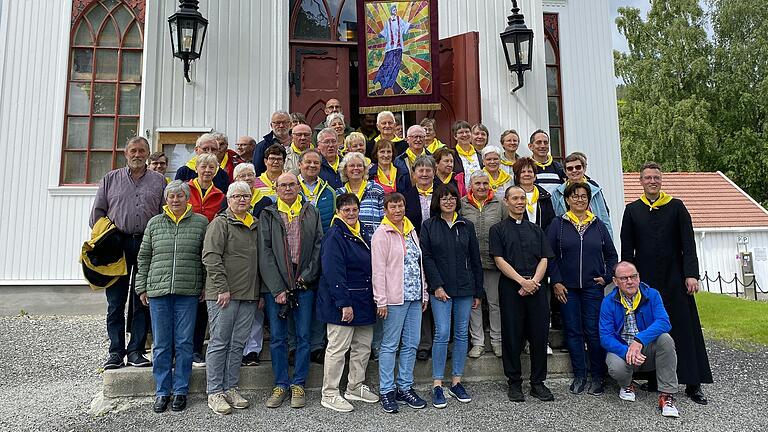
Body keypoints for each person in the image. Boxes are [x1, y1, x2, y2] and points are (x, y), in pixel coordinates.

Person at [620, 162, 712, 404]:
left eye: (656, 177)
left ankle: (693, 382)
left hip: (675, 279)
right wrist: (628, 280)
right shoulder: (632, 211)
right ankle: (654, 378)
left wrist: (691, 274)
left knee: (684, 328)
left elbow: (688, 244)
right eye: (648, 178)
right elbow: (627, 250)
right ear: (640, 181)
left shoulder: (677, 207)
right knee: (651, 329)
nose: (652, 181)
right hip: (646, 282)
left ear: (661, 180)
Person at [91, 136, 165, 370]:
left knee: (141, 300)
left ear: (147, 153)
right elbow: (97, 215)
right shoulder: (110, 179)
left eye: (142, 151)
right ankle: (115, 352)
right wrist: (106, 240)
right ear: (126, 153)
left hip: (146, 243)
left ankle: (136, 351)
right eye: (133, 150)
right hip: (117, 245)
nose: (137, 154)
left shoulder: (159, 181)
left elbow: (164, 213)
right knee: (115, 301)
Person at [135, 180, 208, 413]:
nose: (175, 200)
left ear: (188, 198)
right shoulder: (155, 224)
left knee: (185, 343)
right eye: (171, 196)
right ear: (165, 199)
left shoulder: (201, 223)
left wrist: (206, 285)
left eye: (179, 196)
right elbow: (144, 256)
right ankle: (162, 391)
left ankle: (180, 390)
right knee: (161, 344)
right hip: (158, 291)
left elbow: (206, 257)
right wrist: (141, 287)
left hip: (188, 291)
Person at [546, 182, 618, 396]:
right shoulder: (558, 224)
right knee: (573, 331)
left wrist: (606, 277)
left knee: (593, 331)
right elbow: (549, 255)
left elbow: (612, 256)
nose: (579, 200)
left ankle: (597, 376)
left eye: (583, 196)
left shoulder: (598, 225)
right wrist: (556, 281)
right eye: (575, 196)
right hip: (566, 289)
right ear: (567, 200)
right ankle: (579, 375)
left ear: (589, 199)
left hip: (592, 288)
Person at [259, 172, 323, 409]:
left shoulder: (310, 211)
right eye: (283, 185)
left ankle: (299, 383)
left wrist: (307, 276)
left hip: (303, 282)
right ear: (275, 188)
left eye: (292, 184)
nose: (287, 188)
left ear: (299, 187)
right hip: (276, 285)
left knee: (304, 336)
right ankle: (280, 383)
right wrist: (277, 288)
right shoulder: (268, 214)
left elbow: (318, 245)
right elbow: (264, 252)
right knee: (278, 338)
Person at [489, 186, 555, 403]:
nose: (519, 202)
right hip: (511, 288)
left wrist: (533, 282)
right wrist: (521, 281)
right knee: (512, 336)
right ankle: (514, 382)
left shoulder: (536, 230)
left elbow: (545, 257)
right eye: (514, 198)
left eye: (522, 198)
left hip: (536, 288)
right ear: (506, 202)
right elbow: (499, 260)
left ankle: (538, 383)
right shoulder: (497, 230)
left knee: (539, 336)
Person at [420, 184, 483, 408]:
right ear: (438, 201)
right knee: (442, 333)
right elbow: (426, 258)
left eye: (452, 197)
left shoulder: (467, 225)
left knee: (461, 334)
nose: (448, 201)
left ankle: (456, 381)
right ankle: (437, 384)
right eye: (444, 198)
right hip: (441, 290)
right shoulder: (429, 226)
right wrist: (436, 286)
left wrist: (478, 291)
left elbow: (475, 260)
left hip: (465, 289)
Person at [316, 194, 380, 412]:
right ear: (338, 212)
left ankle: (355, 386)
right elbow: (333, 272)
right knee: (338, 348)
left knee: (362, 346)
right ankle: (330, 392)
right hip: (343, 301)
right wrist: (343, 303)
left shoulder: (361, 231)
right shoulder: (335, 235)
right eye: (346, 211)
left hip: (363, 299)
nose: (351, 214)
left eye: (354, 210)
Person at [202, 181, 260, 416]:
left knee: (238, 344)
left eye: (246, 196)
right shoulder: (220, 224)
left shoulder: (255, 225)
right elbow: (211, 257)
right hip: (225, 295)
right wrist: (222, 288)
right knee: (219, 342)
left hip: (249, 295)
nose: (242, 200)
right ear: (228, 199)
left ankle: (230, 387)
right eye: (237, 196)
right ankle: (215, 392)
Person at [600, 261, 681, 418]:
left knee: (666, 339)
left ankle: (667, 396)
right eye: (624, 278)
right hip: (623, 351)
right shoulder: (608, 302)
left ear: (639, 277)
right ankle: (626, 384)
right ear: (615, 281)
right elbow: (605, 337)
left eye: (633, 276)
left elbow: (664, 322)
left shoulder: (652, 295)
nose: (630, 281)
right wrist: (627, 351)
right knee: (615, 366)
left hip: (645, 349)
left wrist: (639, 341)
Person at [372, 193, 429, 413]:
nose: (397, 210)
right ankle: (387, 389)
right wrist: (381, 300)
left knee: (411, 343)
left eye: (400, 205)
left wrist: (423, 293)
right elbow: (378, 271)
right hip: (394, 299)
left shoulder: (412, 230)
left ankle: (405, 386)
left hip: (414, 297)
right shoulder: (382, 234)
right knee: (389, 345)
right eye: (392, 206)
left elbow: (419, 264)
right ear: (385, 210)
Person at [460, 170, 507, 358]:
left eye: (484, 184)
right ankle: (477, 342)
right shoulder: (462, 204)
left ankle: (497, 341)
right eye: (477, 184)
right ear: (471, 185)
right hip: (470, 263)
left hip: (493, 262)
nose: (481, 187)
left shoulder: (499, 204)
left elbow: (506, 229)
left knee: (495, 303)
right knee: (474, 304)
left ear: (490, 185)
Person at [552, 152, 613, 237]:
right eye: (570, 168)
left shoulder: (595, 191)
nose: (574, 170)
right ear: (565, 172)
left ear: (584, 169)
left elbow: (605, 219)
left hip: (593, 237)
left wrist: (608, 243)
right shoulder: (557, 193)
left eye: (578, 167)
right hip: (567, 239)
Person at [336, 152, 385, 243]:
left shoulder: (376, 189)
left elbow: (384, 217)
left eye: (359, 165)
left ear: (365, 169)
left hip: (375, 242)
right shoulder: (339, 193)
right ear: (345, 170)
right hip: (348, 244)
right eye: (352, 165)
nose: (356, 168)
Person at [298, 149, 336, 233]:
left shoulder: (330, 191)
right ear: (299, 165)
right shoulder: (290, 189)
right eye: (308, 162)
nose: (312, 165)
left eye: (316, 163)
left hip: (323, 240)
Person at [513, 157, 555, 232]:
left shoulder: (545, 196)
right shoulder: (512, 197)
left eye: (530, 171)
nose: (527, 174)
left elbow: (551, 222)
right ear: (517, 177)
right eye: (523, 172)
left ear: (535, 176)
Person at [374, 5, 411, 90]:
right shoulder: (387, 22)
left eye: (396, 9)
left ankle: (388, 84)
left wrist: (415, 26)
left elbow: (405, 26)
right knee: (387, 64)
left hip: (398, 47)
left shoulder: (399, 20)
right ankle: (379, 78)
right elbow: (384, 32)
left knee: (396, 65)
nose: (395, 11)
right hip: (390, 48)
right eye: (394, 9)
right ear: (391, 11)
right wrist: (378, 35)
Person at [403, 154, 436, 236]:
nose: (424, 174)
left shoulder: (442, 193)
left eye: (428, 170)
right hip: (415, 239)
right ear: (414, 174)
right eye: (421, 171)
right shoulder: (406, 197)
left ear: (434, 173)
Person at [187, 153, 225, 222]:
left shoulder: (220, 196)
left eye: (211, 167)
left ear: (216, 170)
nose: (207, 170)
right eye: (203, 167)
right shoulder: (185, 190)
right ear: (196, 169)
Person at [252, 111, 292, 175]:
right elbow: (257, 170)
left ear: (290, 124)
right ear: (271, 125)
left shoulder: (298, 143)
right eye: (277, 123)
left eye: (284, 122)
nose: (281, 126)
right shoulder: (261, 146)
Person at [528, 129, 565, 196]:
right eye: (538, 142)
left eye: (545, 142)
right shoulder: (526, 168)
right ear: (530, 146)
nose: (542, 146)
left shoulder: (559, 168)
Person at [452, 120, 482, 188]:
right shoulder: (451, 155)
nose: (465, 135)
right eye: (461, 132)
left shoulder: (479, 155)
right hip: (459, 195)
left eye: (467, 132)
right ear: (455, 136)